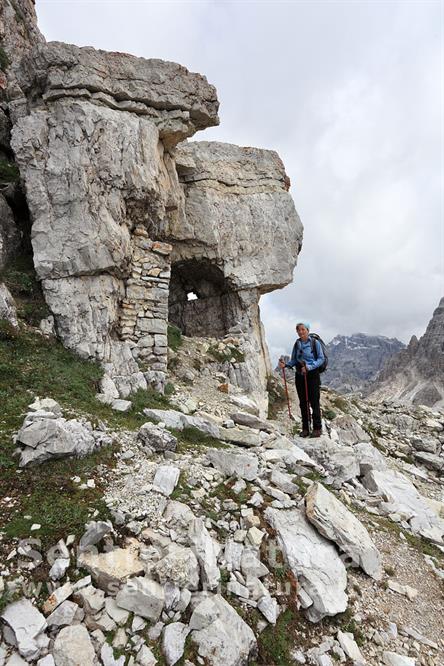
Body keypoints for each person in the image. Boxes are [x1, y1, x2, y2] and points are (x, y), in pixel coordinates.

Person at [278, 322, 324, 437]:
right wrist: (286, 365)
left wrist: (309, 367)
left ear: (307, 330)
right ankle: (305, 428)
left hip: (312, 375)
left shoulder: (315, 343)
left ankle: (317, 428)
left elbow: (321, 359)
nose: (301, 332)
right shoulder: (297, 344)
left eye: (303, 329)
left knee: (314, 402)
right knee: (303, 403)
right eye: (298, 330)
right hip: (299, 375)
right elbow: (294, 359)